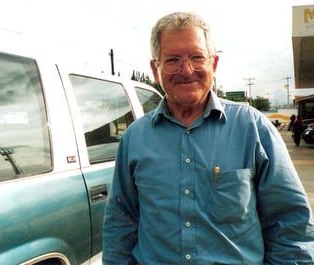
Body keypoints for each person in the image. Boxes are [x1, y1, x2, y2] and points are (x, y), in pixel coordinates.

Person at [102, 11, 314, 264]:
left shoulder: (252, 128)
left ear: (213, 64)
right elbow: (121, 222)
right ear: (155, 69)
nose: (186, 70)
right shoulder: (134, 139)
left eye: (196, 57)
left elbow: (290, 222)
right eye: (172, 60)